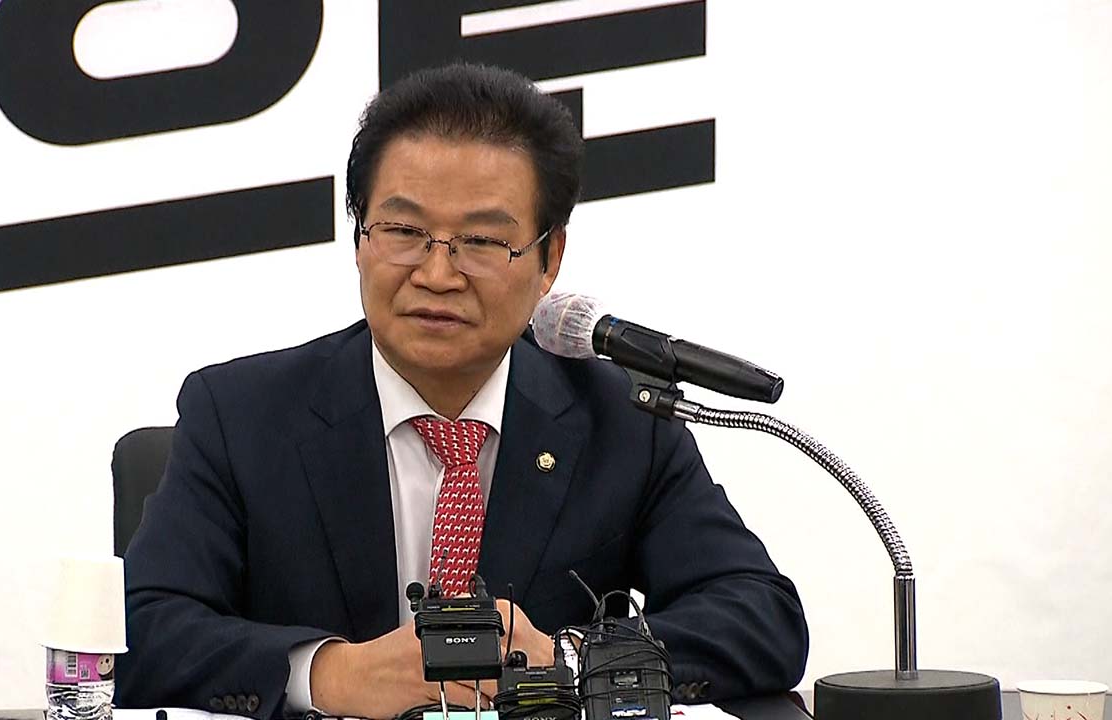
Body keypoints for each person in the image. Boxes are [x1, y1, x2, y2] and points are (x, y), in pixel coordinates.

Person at [116, 63, 808, 720]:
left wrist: (568, 661)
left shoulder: (622, 420)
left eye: (480, 241)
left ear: (549, 260)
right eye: (404, 232)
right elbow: (141, 629)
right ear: (359, 239)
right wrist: (333, 673)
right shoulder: (240, 414)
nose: (437, 275)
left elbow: (761, 616)